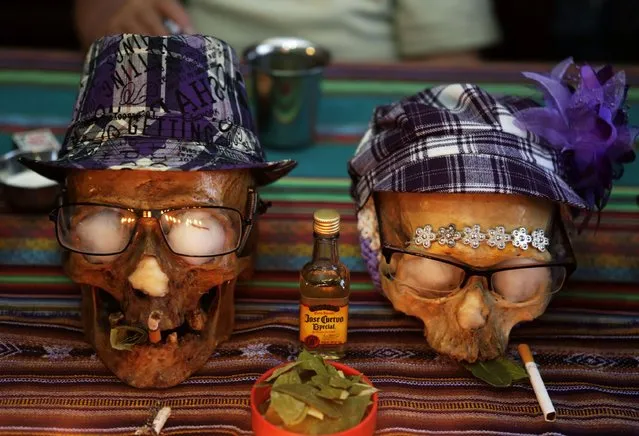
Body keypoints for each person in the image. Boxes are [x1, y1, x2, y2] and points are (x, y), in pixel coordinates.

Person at [74, 0, 501, 64]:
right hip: (188, 85)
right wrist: (122, 16)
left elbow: (452, 63)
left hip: (372, 102)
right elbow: (101, 15)